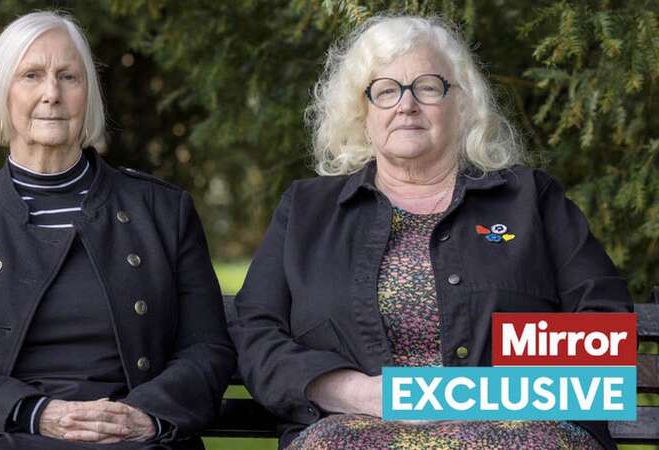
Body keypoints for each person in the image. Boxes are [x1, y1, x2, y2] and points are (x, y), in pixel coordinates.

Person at [229, 14, 632, 450]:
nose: (406, 105)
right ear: (361, 113)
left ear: (462, 105)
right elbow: (256, 331)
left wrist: (468, 396)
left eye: (427, 87)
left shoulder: (531, 199)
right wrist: (355, 392)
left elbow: (603, 327)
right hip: (356, 426)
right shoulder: (307, 210)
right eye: (385, 91)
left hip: (522, 428)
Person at [0, 11, 234, 450]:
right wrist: (35, 412)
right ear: (3, 93)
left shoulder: (161, 210)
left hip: (123, 437)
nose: (52, 94)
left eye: (68, 77)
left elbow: (207, 348)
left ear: (87, 95)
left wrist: (144, 415)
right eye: (31, 75)